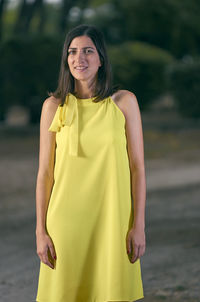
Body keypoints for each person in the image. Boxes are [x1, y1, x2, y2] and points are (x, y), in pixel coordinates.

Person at [35, 24, 146, 302]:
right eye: (72, 52)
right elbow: (45, 174)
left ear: (101, 59)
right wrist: (41, 230)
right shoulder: (53, 106)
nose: (79, 58)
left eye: (87, 51)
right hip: (65, 222)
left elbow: (137, 168)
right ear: (66, 59)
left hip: (113, 219)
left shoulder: (124, 103)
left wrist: (139, 225)